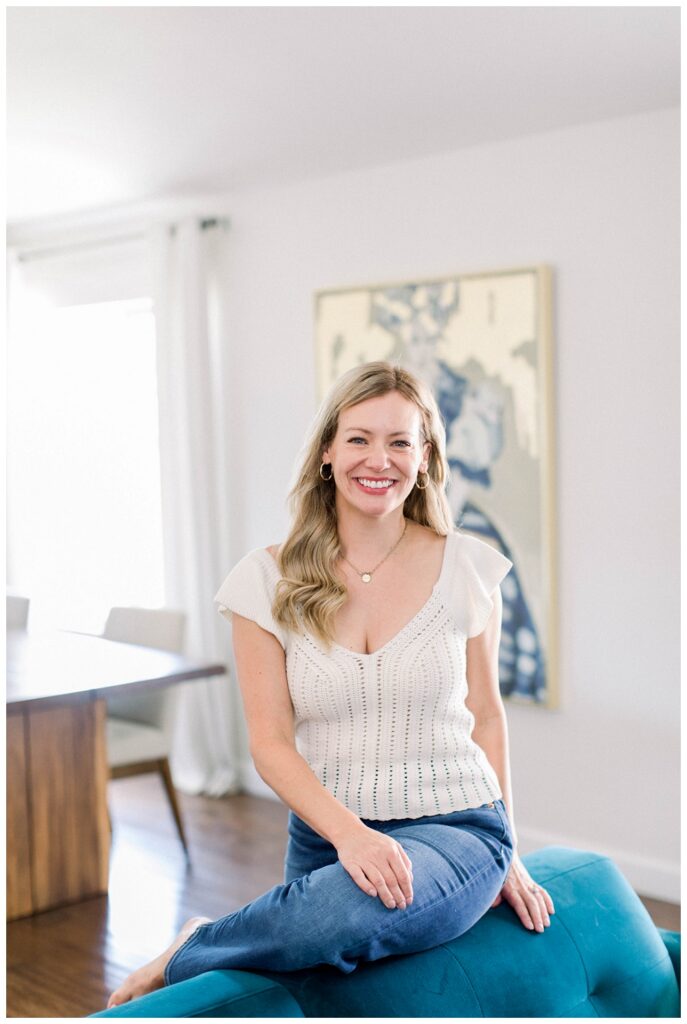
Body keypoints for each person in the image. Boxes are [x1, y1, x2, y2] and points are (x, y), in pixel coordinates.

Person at [107, 360, 554, 1009]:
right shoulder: (263, 582)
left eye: (400, 441)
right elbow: (270, 742)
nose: (379, 459)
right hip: (324, 838)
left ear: (425, 457)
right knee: (328, 922)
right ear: (326, 452)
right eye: (359, 438)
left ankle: (191, 948)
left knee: (343, 917)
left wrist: (508, 847)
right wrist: (348, 834)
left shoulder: (467, 564)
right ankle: (240, 933)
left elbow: (486, 715)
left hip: (457, 827)